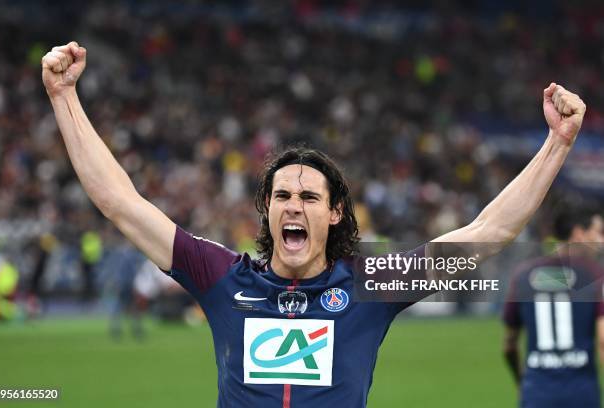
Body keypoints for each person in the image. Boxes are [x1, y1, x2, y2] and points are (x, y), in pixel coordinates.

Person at [42, 41, 586, 406]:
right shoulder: (223, 277)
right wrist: (63, 97)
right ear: (267, 210)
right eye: (280, 195)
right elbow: (120, 202)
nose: (293, 205)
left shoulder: (374, 283)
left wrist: (557, 144)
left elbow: (489, 232)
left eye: (308, 196)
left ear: (335, 212)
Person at [503, 206, 604, 408]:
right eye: (599, 232)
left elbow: (509, 345)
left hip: (536, 393)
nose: (602, 241)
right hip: (581, 393)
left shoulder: (523, 275)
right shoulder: (595, 276)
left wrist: (521, 380)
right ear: (578, 234)